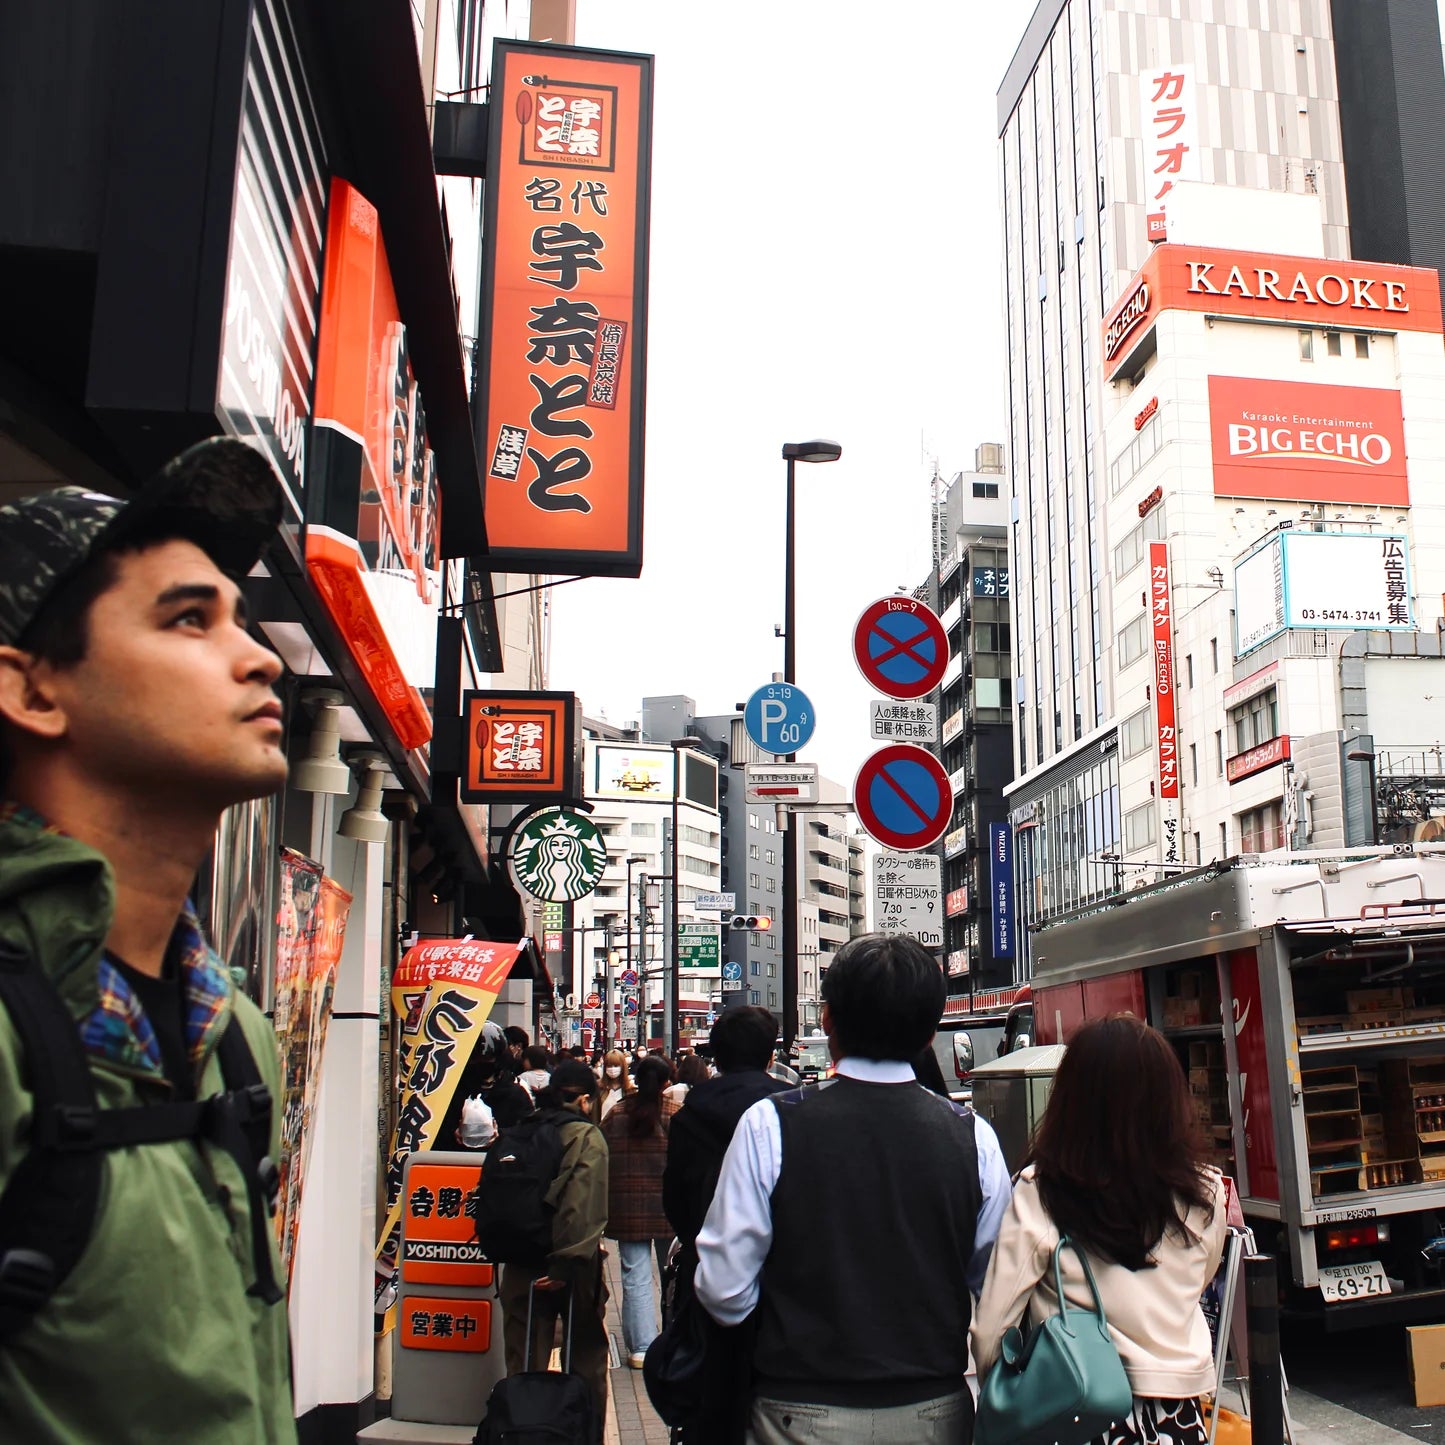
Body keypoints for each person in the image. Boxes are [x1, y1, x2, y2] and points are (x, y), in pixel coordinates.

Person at [0, 440, 296, 1441]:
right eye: (187, 619)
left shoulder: (237, 1033)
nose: (256, 654)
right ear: (34, 690)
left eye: (241, 618)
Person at [696, 933, 1012, 1444]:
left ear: (829, 1020)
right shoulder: (971, 1135)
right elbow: (995, 1284)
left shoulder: (770, 1124)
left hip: (797, 1410)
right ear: (930, 1029)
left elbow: (724, 1290)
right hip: (935, 1410)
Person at [971, 1016, 1227, 1445]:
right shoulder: (1205, 1193)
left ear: (1072, 1099)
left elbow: (994, 1329)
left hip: (1076, 1413)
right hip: (1177, 1419)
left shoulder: (1042, 1191)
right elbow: (1198, 1280)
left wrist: (1005, 1394)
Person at [662, 1004, 790, 1445]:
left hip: (705, 1272)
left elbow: (674, 1200)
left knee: (714, 1393)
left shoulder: (689, 1114)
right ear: (769, 1055)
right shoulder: (786, 1109)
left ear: (716, 1055)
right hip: (780, 1274)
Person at [499, 1060, 610, 1442]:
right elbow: (581, 1205)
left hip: (518, 1263)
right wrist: (566, 1264)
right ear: (583, 1100)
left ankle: (521, 1433)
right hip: (570, 1265)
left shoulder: (520, 1131)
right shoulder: (585, 1137)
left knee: (523, 1359)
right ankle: (584, 1434)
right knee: (585, 1356)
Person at [602, 1054, 682, 1368]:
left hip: (627, 1207)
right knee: (672, 1275)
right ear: (666, 1083)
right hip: (668, 1207)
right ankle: (673, 1341)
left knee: (634, 1276)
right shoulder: (676, 1114)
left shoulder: (617, 1114)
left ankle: (641, 1348)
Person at [596, 1047, 634, 1120]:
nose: (612, 1069)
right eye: (609, 1066)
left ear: (623, 1067)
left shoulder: (630, 1089)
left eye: (616, 1066)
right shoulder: (599, 1088)